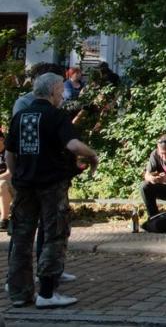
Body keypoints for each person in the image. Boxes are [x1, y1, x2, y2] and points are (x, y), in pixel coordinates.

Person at [6, 72, 99, 309]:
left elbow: (10, 154)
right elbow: (73, 145)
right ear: (53, 91)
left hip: (25, 185)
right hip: (51, 185)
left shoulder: (20, 117)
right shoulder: (55, 115)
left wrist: (17, 178)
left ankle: (19, 293)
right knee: (53, 236)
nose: (62, 95)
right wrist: (92, 155)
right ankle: (47, 293)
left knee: (21, 238)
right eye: (60, 90)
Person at [0, 130, 12, 231]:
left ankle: (4, 220)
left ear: (2, 139)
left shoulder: (8, 152)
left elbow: (10, 173)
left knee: (2, 184)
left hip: (10, 183)